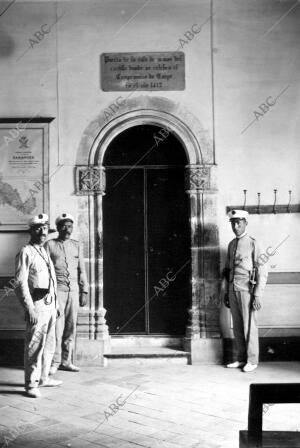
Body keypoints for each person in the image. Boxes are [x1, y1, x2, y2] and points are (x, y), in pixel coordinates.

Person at [15, 213, 62, 398]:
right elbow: (20, 283)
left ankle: (43, 378)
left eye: (45, 228)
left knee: (50, 342)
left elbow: (52, 280)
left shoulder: (43, 251)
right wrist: (29, 308)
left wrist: (56, 304)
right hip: (37, 305)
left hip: (50, 305)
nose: (43, 231)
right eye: (38, 228)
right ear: (31, 231)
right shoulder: (25, 252)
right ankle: (31, 384)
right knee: (35, 345)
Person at [223, 209, 268, 373]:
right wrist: (226, 292)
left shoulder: (253, 243)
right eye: (233, 223)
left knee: (250, 326)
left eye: (239, 223)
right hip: (233, 289)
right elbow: (228, 270)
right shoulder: (231, 244)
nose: (235, 226)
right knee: (237, 326)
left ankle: (252, 360)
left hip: (247, 290)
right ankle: (241, 358)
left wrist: (257, 295)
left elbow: (262, 271)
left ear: (245, 223)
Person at [45, 213, 88, 374]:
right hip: (57, 291)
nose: (67, 229)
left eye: (70, 226)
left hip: (74, 292)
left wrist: (84, 290)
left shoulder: (77, 245)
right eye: (63, 225)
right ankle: (54, 362)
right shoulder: (49, 245)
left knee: (71, 327)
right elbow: (46, 271)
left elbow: (82, 270)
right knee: (57, 327)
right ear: (57, 228)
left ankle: (66, 361)